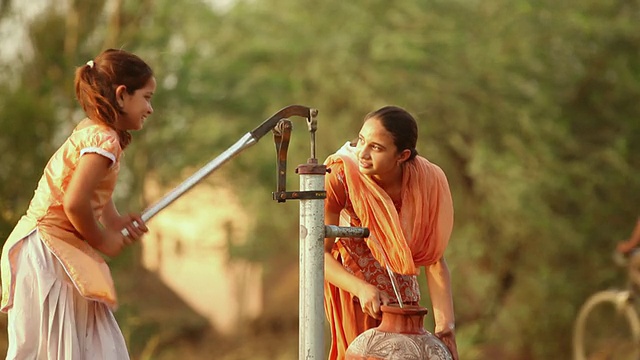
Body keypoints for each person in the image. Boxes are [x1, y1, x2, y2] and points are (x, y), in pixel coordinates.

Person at [0, 48, 155, 359]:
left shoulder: (95, 132)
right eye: (147, 97)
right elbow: (74, 203)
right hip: (47, 250)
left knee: (93, 344)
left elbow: (95, 194)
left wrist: (114, 221)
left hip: (51, 248)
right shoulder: (104, 140)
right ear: (122, 95)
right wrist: (103, 240)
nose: (150, 108)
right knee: (62, 348)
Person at [323, 106, 459, 360]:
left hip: (403, 297)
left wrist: (445, 327)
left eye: (376, 147)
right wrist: (361, 289)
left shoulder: (427, 181)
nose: (362, 153)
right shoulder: (340, 175)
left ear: (402, 155)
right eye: (361, 140)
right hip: (356, 294)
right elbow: (317, 255)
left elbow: (434, 259)